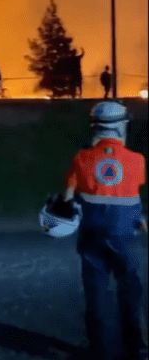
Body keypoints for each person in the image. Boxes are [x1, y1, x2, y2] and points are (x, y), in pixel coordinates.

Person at [61, 101, 148, 360]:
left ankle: (99, 351)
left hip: (92, 232)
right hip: (124, 233)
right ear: (122, 125)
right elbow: (130, 191)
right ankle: (138, 350)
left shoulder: (81, 157)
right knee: (130, 288)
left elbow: (67, 195)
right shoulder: (137, 160)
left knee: (96, 291)